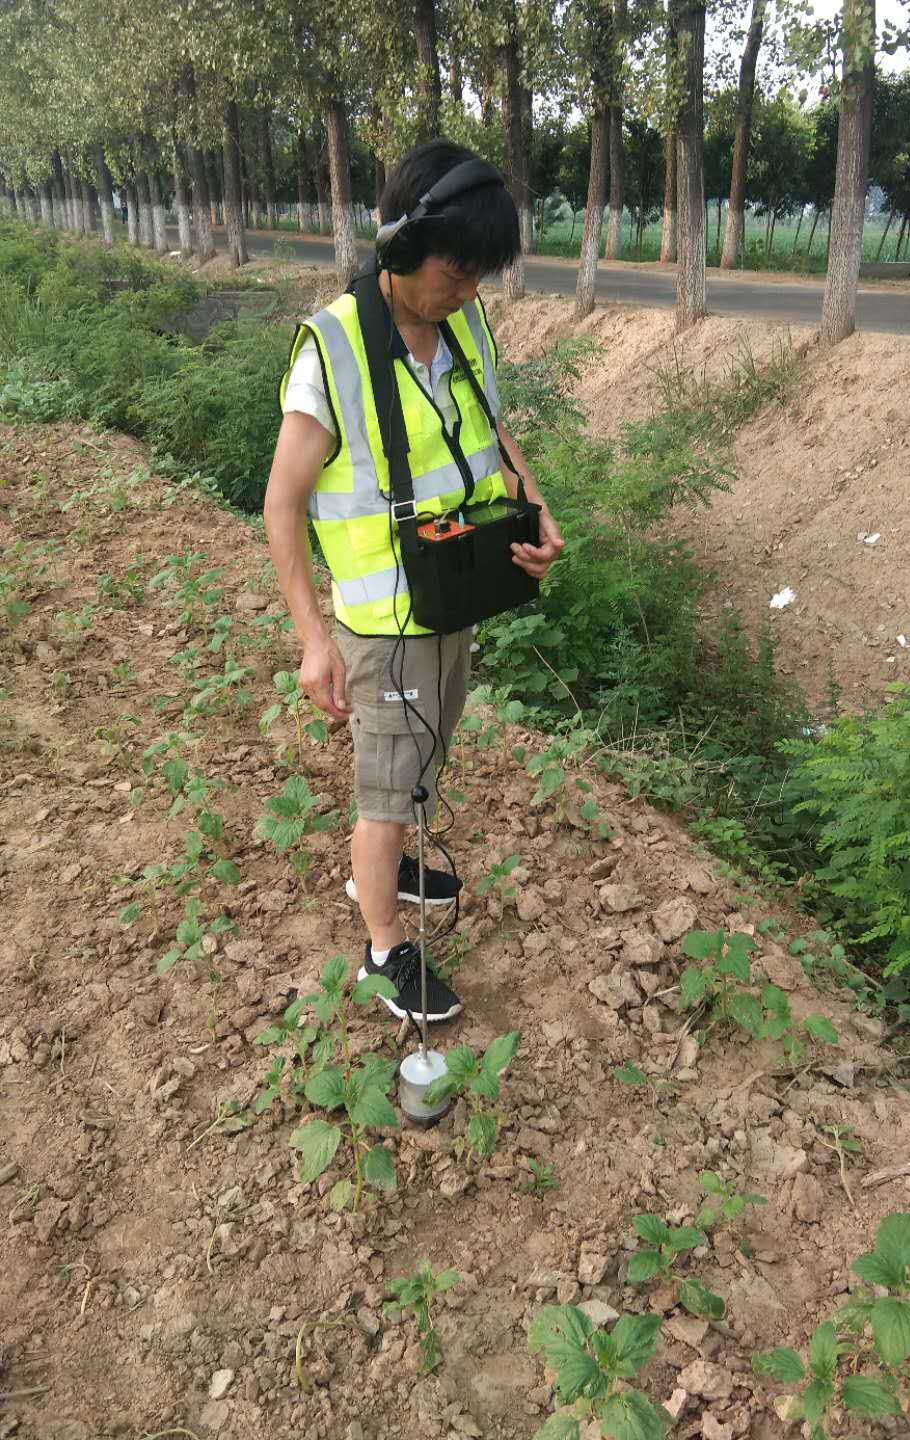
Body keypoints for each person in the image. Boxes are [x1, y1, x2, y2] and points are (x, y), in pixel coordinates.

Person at [264, 139, 563, 1025]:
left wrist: (535, 508)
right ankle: (383, 949)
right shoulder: (334, 350)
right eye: (455, 271)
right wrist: (312, 640)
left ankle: (390, 867)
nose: (467, 290)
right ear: (400, 244)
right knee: (387, 790)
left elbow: (495, 436)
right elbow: (282, 504)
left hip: (451, 598)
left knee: (427, 752)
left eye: (480, 275)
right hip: (382, 624)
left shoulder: (464, 327)